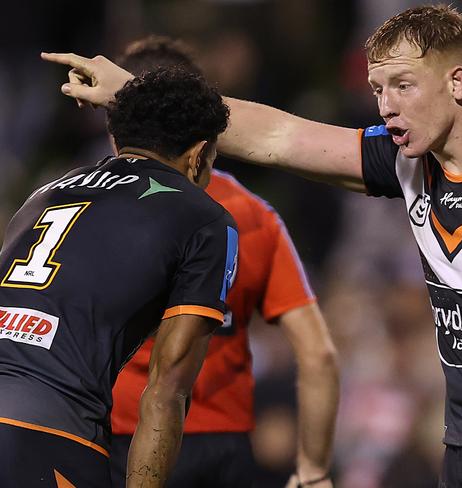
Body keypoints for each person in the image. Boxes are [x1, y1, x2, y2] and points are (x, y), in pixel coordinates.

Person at [42, 4, 462, 487]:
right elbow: (278, 135)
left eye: (403, 86)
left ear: (459, 80)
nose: (385, 108)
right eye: (378, 89)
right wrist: (137, 95)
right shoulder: (406, 159)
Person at [108, 37, 339, 488]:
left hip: (120, 439)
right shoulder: (253, 215)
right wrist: (313, 472)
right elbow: (319, 355)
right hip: (224, 450)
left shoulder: (92, 205)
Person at [0, 68, 237, 487]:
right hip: (44, 432)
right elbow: (167, 393)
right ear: (199, 155)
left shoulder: (44, 192)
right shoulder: (206, 220)